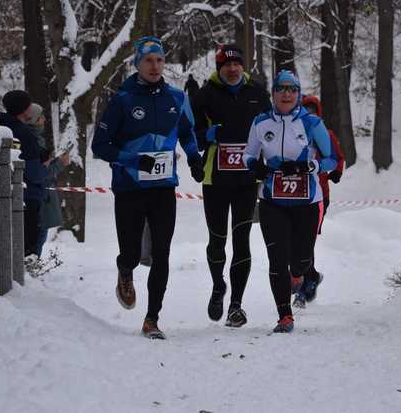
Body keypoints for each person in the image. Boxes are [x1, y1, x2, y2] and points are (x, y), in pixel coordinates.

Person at [91, 35, 204, 340]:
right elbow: (100, 146)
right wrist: (132, 160)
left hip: (163, 187)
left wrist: (194, 159)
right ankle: (125, 270)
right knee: (130, 251)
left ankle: (152, 318)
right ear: (137, 64)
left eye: (160, 60)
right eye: (148, 60)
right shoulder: (122, 101)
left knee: (162, 254)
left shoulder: (178, 99)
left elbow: (187, 133)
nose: (155, 66)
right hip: (129, 187)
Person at [243, 70, 338, 333]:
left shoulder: (312, 123)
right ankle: (285, 316)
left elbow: (332, 159)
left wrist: (312, 165)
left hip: (306, 202)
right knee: (276, 258)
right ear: (273, 93)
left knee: (300, 260)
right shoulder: (261, 122)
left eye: (292, 89)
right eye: (281, 89)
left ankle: (300, 273)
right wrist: (256, 168)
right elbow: (247, 155)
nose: (286, 94)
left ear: (298, 94)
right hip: (272, 201)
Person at [191, 44, 271, 327]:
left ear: (243, 65)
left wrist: (269, 163)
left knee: (242, 240)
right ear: (219, 68)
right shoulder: (204, 95)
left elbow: (271, 131)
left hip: (247, 180)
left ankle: (236, 304)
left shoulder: (258, 93)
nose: (233, 69)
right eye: (227, 65)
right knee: (217, 240)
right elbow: (192, 136)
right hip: (216, 178)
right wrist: (207, 134)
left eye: (237, 64)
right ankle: (217, 286)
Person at [292, 95, 345, 308]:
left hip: (319, 196)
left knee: (307, 241)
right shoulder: (293, 133)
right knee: (294, 240)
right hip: (293, 195)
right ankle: (310, 276)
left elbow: (338, 157)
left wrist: (337, 172)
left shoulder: (325, 133)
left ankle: (304, 290)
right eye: (306, 110)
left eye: (313, 110)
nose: (310, 114)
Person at [0, 90, 48, 257]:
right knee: (28, 247)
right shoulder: (24, 134)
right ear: (25, 109)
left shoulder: (2, 126)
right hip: (28, 197)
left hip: (3, 192)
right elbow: (35, 173)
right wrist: (45, 166)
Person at [23, 103, 70, 257]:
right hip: (36, 197)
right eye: (40, 117)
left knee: (37, 236)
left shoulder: (35, 139)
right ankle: (31, 269)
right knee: (36, 239)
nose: (44, 120)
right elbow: (40, 174)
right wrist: (59, 164)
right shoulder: (32, 141)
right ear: (34, 121)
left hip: (38, 196)